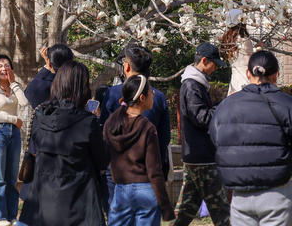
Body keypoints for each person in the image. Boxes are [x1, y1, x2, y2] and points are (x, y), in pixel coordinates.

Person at [20, 60, 107, 226]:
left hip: (42, 202)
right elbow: (101, 161)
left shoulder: (40, 115)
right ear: (83, 87)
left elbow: (36, 147)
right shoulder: (88, 121)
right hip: (80, 203)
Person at [211, 49, 292, 226]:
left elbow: (215, 138)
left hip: (239, 194)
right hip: (277, 191)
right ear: (276, 74)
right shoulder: (286, 104)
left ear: (248, 74)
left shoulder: (226, 105)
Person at [99, 44, 171, 196]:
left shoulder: (112, 94)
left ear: (126, 67)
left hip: (117, 170)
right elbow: (164, 139)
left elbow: (104, 135)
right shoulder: (157, 97)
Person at [104, 73, 175, 226]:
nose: (153, 95)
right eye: (151, 93)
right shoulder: (147, 127)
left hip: (121, 190)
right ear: (142, 98)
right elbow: (154, 170)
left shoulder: (111, 124)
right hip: (146, 190)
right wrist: (165, 205)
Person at [173, 41, 230, 226]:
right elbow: (202, 117)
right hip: (202, 158)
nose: (215, 69)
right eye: (214, 64)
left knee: (186, 209)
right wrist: (224, 105)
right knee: (221, 211)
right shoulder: (192, 85)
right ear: (204, 60)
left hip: (195, 155)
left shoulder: (195, 83)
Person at [0, 53, 29, 226]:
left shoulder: (14, 86)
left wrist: (13, 83)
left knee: (12, 178)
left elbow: (25, 103)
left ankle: (11, 215)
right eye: (0, 66)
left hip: (15, 135)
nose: (3, 69)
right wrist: (12, 119)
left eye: (6, 65)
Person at [24, 43, 75, 109]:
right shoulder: (77, 82)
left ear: (50, 64)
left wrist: (47, 65)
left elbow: (29, 93)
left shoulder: (39, 86)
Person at [219, 11, 254, 96]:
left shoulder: (227, 40)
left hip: (234, 80)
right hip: (246, 79)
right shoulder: (244, 39)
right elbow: (249, 62)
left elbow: (240, 55)